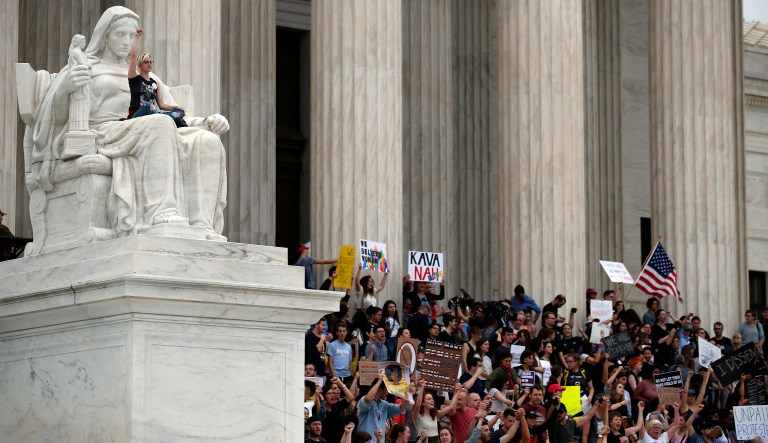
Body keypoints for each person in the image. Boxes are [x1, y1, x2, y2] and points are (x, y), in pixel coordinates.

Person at [34, 7, 229, 239]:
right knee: (159, 125)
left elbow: (175, 113)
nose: (127, 42)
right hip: (105, 131)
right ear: (105, 35)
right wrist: (66, 88)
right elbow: (51, 117)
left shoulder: (147, 77)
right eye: (120, 35)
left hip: (145, 128)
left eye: (131, 36)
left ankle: (201, 224)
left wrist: (206, 122)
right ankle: (162, 212)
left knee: (207, 141)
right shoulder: (85, 66)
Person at [127, 29, 186, 126]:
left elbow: (162, 105)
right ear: (140, 65)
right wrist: (136, 37)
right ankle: (163, 120)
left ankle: (165, 120)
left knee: (179, 113)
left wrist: (176, 107)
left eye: (151, 62)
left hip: (152, 115)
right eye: (146, 62)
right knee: (147, 105)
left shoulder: (155, 83)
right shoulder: (134, 79)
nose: (149, 64)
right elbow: (133, 56)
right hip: (138, 115)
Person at [357, 371, 409, 437]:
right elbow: (367, 399)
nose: (388, 393)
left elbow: (401, 408)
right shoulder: (363, 400)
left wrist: (407, 392)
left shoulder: (385, 404)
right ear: (380, 391)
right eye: (386, 389)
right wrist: (380, 381)